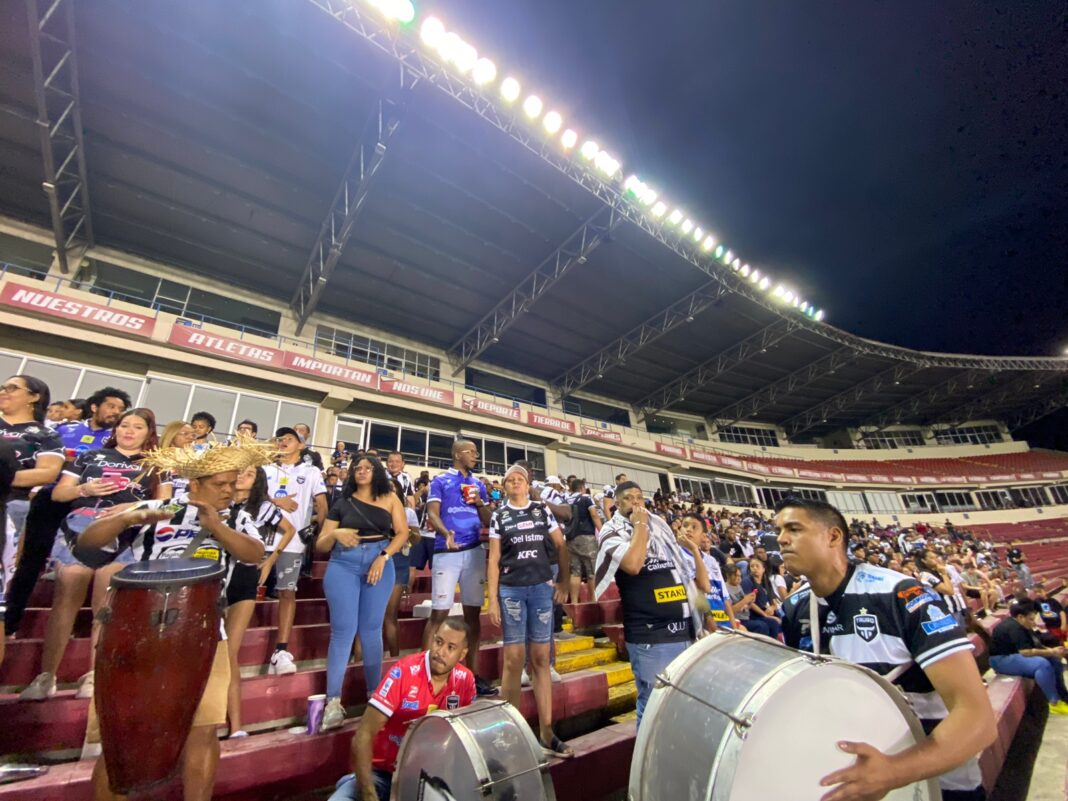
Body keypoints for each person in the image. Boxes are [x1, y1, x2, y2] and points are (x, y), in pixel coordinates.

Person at [76, 438, 270, 801]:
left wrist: (217, 527)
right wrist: (125, 518)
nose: (229, 491)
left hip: (206, 634)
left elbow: (254, 554)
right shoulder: (156, 508)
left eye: (232, 484)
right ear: (195, 484)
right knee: (119, 739)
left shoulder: (238, 518)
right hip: (138, 633)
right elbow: (87, 544)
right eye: (220, 484)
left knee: (203, 731)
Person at [777, 498, 996, 801]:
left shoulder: (902, 594)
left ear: (833, 536)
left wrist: (892, 772)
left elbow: (977, 719)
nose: (781, 539)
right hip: (858, 783)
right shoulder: (794, 607)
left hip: (941, 787)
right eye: (779, 530)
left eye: (794, 529)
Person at [20, 408, 164, 701]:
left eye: (138, 427)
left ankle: (94, 674)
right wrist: (84, 489)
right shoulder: (90, 456)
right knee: (66, 598)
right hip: (80, 526)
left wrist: (133, 508)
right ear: (115, 429)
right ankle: (46, 676)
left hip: (126, 534)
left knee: (105, 606)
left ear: (149, 433)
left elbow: (168, 505)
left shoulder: (157, 465)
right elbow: (59, 493)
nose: (129, 431)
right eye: (124, 425)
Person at [2, 385, 129, 637]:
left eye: (121, 409)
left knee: (77, 565)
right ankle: (11, 623)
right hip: (51, 497)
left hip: (87, 505)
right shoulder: (63, 429)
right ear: (94, 406)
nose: (116, 412)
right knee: (30, 560)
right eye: (111, 406)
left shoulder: (116, 438)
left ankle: (68, 626)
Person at [593, 481, 709, 727]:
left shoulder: (659, 525)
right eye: (628, 498)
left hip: (685, 631)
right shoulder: (610, 531)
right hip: (651, 635)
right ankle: (646, 753)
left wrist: (702, 616)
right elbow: (634, 564)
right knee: (654, 707)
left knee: (681, 704)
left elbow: (682, 572)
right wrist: (640, 524)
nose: (636, 502)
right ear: (617, 503)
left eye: (639, 497)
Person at [327, 618, 476, 801]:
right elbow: (363, 735)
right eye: (438, 642)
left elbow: (464, 743)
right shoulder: (404, 672)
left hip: (429, 778)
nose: (440, 651)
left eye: (451, 647)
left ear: (462, 654)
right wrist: (368, 794)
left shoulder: (466, 681)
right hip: (382, 774)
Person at [316, 455, 409, 731]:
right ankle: (333, 702)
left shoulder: (390, 498)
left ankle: (375, 697)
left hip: (379, 561)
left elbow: (402, 533)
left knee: (371, 630)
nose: (362, 471)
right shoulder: (342, 502)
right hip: (343, 563)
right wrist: (335, 535)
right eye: (357, 468)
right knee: (343, 632)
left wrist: (384, 556)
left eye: (368, 468)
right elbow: (321, 544)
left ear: (376, 472)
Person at [487, 464, 573, 757]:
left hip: (540, 588)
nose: (515, 482)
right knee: (513, 659)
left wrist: (564, 580)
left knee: (540, 658)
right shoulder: (499, 514)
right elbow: (494, 558)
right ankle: (510, 732)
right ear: (505, 486)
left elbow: (561, 546)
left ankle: (547, 732)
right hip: (511, 589)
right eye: (509, 480)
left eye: (519, 479)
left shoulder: (541, 510)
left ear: (527, 484)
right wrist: (492, 599)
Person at [225, 464, 295, 738]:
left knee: (228, 652)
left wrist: (270, 559)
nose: (242, 476)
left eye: (250, 474)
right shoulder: (220, 501)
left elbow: (289, 530)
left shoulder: (263, 507)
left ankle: (236, 726)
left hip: (243, 574)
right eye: (240, 472)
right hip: (214, 571)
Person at [424, 439, 496, 696]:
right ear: (457, 454)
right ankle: (425, 676)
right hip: (447, 552)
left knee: (473, 615)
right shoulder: (440, 481)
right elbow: (432, 513)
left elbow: (488, 520)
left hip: (474, 551)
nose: (476, 456)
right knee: (439, 614)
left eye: (477, 452)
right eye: (471, 452)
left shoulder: (479, 485)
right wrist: (446, 533)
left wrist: (480, 503)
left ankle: (472, 676)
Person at [263, 427, 327, 675]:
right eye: (280, 438)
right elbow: (247, 496)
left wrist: (317, 533)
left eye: (289, 439)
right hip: (258, 538)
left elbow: (322, 504)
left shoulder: (311, 472)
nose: (283, 442)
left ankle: (280, 650)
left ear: (301, 445)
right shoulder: (266, 469)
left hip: (292, 542)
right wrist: (275, 501)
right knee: (243, 592)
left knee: (287, 592)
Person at [989, 600, 1068, 714]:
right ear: (1021, 617)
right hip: (1001, 660)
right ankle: (1054, 703)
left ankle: (1063, 696)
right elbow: (1025, 652)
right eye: (1031, 619)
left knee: (1054, 661)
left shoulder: (1022, 625)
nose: (1033, 622)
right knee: (1042, 664)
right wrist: (1052, 651)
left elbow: (1036, 645)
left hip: (1014, 656)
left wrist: (1053, 651)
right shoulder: (1014, 627)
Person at [677, 513, 739, 632]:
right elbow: (698, 591)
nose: (688, 529)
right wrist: (710, 621)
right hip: (702, 624)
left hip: (723, 622)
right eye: (685, 525)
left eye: (694, 527)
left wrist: (734, 627)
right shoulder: (676, 555)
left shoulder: (712, 561)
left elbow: (724, 597)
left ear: (703, 536)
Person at [383, 478, 419, 658]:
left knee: (390, 614)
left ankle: (394, 658)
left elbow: (417, 538)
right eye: (386, 488)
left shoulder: (408, 512)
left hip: (398, 561)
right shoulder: (374, 508)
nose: (389, 491)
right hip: (375, 557)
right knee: (368, 617)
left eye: (393, 488)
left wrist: (408, 534)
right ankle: (360, 662)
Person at [566, 477, 602, 604]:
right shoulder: (586, 498)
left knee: (575, 572)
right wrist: (602, 531)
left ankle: (574, 602)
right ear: (582, 488)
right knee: (591, 570)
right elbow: (594, 515)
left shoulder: (565, 500)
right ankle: (593, 600)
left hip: (570, 538)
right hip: (586, 538)